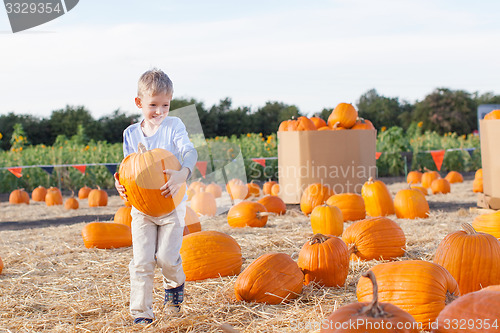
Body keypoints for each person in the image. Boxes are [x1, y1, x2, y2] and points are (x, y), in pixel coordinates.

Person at [114, 68, 198, 325]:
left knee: (166, 259)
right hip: (142, 209)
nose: (159, 111)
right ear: (139, 103)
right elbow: (127, 168)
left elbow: (190, 152)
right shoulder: (130, 134)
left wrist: (183, 173)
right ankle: (141, 313)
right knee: (141, 261)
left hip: (172, 206)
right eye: (153, 105)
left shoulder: (174, 126)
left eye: (165, 104)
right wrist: (118, 184)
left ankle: (174, 289)